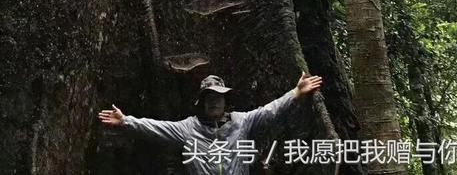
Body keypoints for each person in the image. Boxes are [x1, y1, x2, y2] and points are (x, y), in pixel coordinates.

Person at [98, 71, 322, 174]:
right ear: (201, 102)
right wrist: (126, 121)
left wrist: (295, 93)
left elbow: (270, 111)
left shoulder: (241, 122)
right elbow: (157, 128)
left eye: (218, 98)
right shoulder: (189, 128)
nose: (214, 102)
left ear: (226, 101)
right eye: (209, 98)